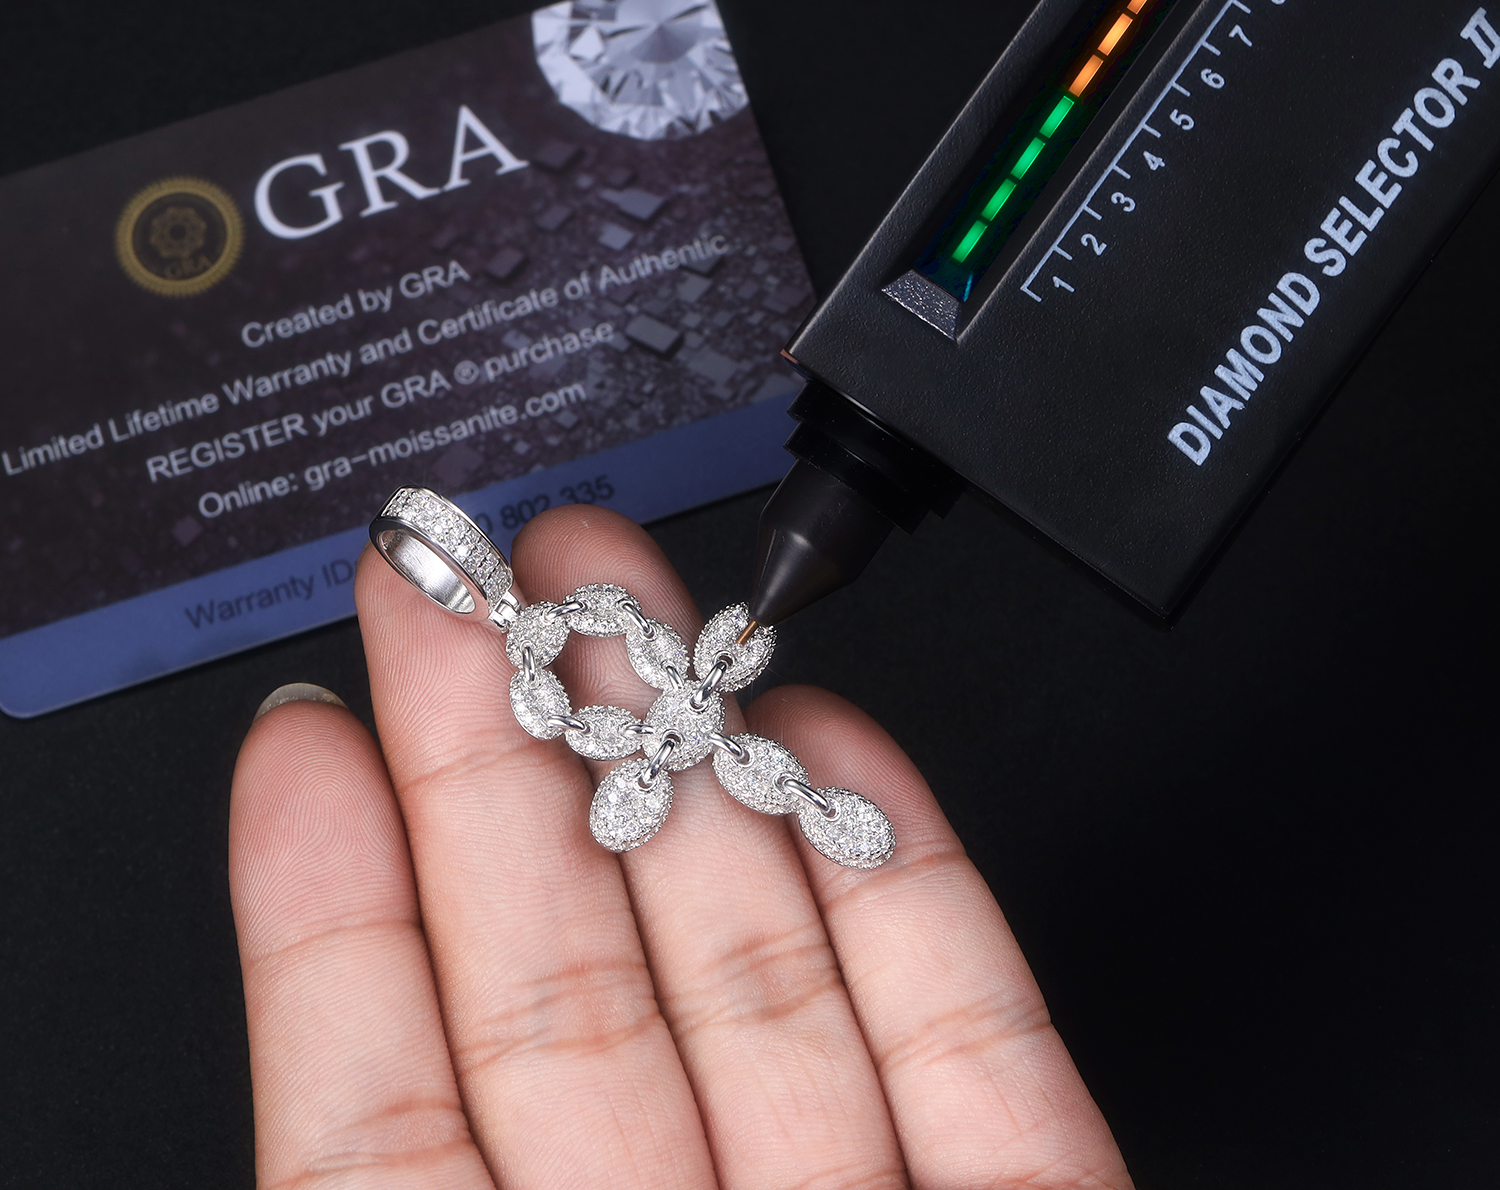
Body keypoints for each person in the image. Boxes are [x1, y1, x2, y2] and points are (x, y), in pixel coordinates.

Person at [229, 504, 1133, 1188]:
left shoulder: (654, 676)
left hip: (658, 730)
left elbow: (623, 622)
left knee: (800, 781)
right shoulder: (592, 703)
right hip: (638, 736)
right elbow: (597, 670)